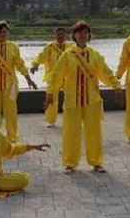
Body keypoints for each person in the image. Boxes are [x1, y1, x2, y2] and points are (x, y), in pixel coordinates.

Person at [45, 21, 123, 174]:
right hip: (72, 100)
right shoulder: (67, 55)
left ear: (89, 36)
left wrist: (117, 88)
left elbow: (106, 73)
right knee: (70, 132)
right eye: (80, 32)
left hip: (92, 100)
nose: (83, 35)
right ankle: (70, 163)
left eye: (86, 32)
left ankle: (96, 162)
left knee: (94, 132)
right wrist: (50, 93)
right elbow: (56, 75)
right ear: (74, 35)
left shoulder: (94, 55)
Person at [30, 27, 72, 127]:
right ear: (55, 35)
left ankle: (70, 119)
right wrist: (35, 64)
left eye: (62, 34)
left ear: (65, 35)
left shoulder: (71, 47)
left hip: (67, 76)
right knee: (51, 98)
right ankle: (50, 120)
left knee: (70, 98)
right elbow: (40, 57)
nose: (60, 36)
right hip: (53, 78)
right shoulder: (50, 47)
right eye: (58, 34)